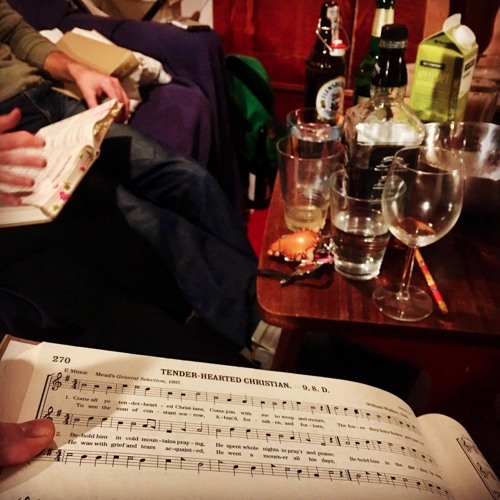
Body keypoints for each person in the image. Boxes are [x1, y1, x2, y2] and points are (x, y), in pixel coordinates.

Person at [0, 0, 259, 354]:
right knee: (139, 217)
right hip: (10, 138)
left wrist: (78, 70)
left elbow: (14, 31)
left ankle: (263, 295)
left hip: (47, 99)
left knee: (186, 176)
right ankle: (253, 328)